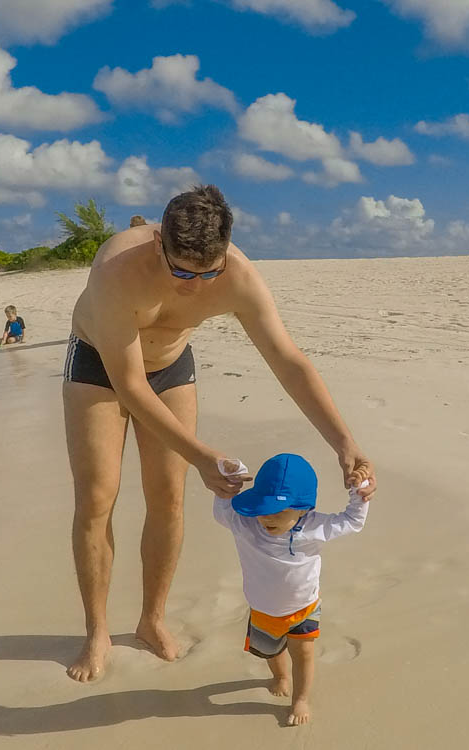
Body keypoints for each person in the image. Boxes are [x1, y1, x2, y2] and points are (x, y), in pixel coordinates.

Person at [62, 184, 376, 682]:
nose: (193, 285)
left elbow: (289, 362)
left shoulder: (238, 276)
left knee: (168, 497)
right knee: (98, 496)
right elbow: (130, 386)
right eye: (181, 270)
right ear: (159, 240)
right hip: (101, 367)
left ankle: (151, 619)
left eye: (208, 272)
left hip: (170, 366)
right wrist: (203, 455)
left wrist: (345, 442)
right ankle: (96, 631)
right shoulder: (116, 269)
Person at [214, 454, 369, 726]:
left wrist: (360, 488)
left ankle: (301, 698)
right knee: (271, 653)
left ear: (302, 508)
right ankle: (280, 676)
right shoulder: (246, 525)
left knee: (304, 655)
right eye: (263, 508)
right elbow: (223, 510)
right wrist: (233, 473)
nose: (267, 518)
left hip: (304, 608)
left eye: (277, 512)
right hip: (263, 610)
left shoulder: (313, 526)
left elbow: (351, 521)